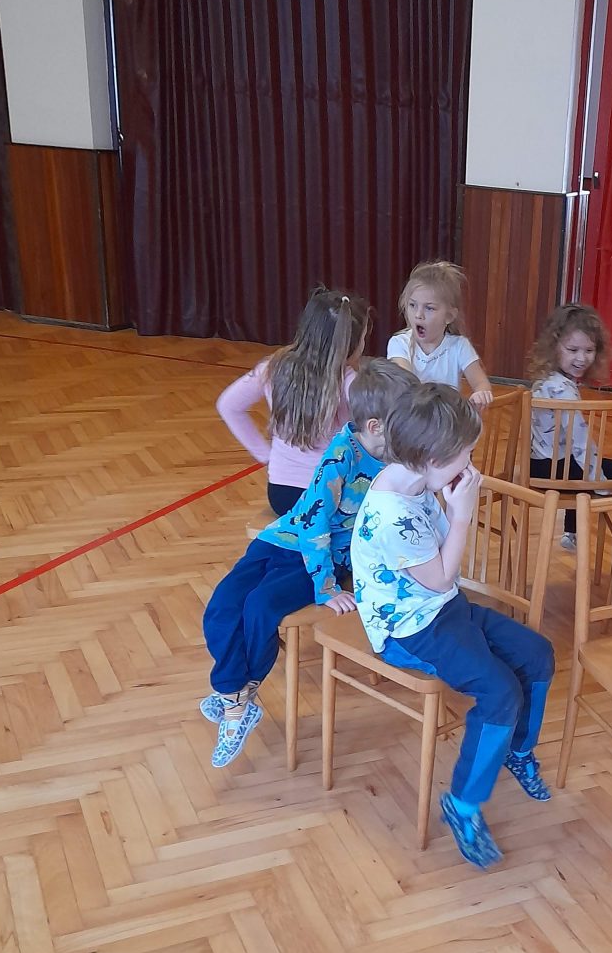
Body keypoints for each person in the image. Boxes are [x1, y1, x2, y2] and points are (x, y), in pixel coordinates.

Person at [350, 383, 555, 866]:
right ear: (432, 458)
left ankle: (516, 749)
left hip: (443, 609)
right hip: (409, 631)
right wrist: (462, 514)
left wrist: (449, 501)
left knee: (537, 655)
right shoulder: (390, 514)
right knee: (500, 693)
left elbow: (441, 579)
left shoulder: (417, 480)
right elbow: (441, 577)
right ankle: (463, 804)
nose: (471, 461)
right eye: (466, 453)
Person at [201, 360, 416, 768]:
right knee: (222, 604)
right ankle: (235, 694)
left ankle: (234, 701)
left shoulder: (396, 460)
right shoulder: (342, 457)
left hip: (323, 556)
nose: (410, 433)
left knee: (260, 607)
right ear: (375, 427)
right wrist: (327, 587)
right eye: (403, 424)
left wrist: (332, 582)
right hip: (286, 540)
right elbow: (314, 522)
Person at [217, 287, 369, 515]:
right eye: (364, 338)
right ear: (351, 344)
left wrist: (265, 455)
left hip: (281, 494)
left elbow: (228, 405)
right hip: (330, 496)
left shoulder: (273, 367)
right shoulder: (349, 381)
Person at [527, 302, 612, 550]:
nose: (581, 358)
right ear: (554, 346)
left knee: (578, 464)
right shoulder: (564, 391)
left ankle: (572, 533)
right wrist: (598, 481)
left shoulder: (545, 380)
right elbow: (580, 444)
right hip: (552, 470)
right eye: (573, 349)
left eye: (589, 350)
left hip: (536, 464)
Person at [386, 260, 493, 407]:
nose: (418, 315)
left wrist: (481, 394)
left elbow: (481, 383)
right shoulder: (399, 343)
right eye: (412, 305)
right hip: (411, 418)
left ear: (449, 316)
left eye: (429, 308)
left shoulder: (459, 346)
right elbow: (407, 385)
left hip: (448, 419)